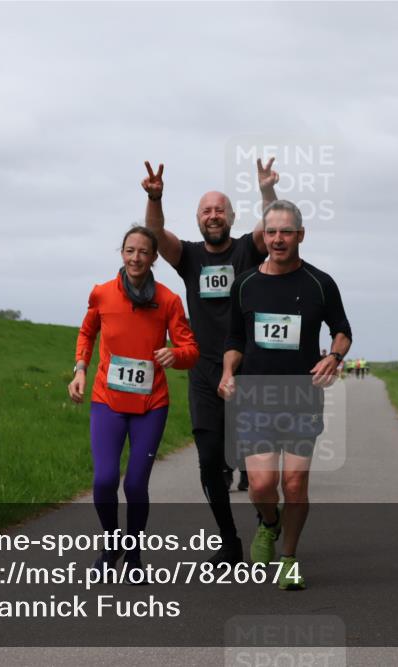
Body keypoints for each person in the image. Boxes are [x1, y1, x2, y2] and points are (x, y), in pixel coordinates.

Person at [142, 158, 277, 565]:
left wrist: (267, 191)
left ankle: (268, 524)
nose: (213, 215)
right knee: (209, 463)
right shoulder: (189, 257)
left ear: (232, 217)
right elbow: (152, 234)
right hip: (204, 374)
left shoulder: (247, 251)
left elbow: (272, 226)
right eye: (206, 210)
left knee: (256, 466)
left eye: (220, 210)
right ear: (198, 219)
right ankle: (229, 541)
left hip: (249, 372)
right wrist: (154, 197)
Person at [218, 200, 352, 590]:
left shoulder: (319, 284)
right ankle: (269, 523)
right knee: (261, 486)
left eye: (286, 232)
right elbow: (234, 340)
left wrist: (334, 357)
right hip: (256, 399)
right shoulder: (244, 284)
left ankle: (289, 558)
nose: (278, 239)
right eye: (272, 232)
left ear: (300, 235)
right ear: (265, 235)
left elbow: (342, 330)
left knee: (294, 485)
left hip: (300, 398)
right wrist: (228, 372)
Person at [68, 226, 199, 579]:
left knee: (136, 484)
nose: (135, 257)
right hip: (107, 401)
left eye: (143, 252)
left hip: (151, 405)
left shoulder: (169, 300)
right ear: (121, 253)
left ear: (154, 257)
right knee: (105, 480)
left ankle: (134, 553)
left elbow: (190, 350)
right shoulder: (102, 294)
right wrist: (80, 369)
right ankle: (111, 545)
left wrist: (176, 354)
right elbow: (87, 332)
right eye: (129, 250)